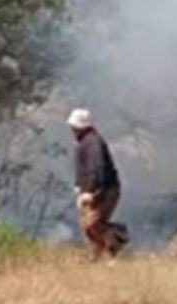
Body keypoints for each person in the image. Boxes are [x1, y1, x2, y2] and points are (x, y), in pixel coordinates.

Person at [67, 108, 129, 260]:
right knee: (88, 225)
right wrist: (79, 187)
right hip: (95, 189)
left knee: (91, 224)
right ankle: (98, 256)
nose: (72, 130)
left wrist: (90, 191)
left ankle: (118, 236)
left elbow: (97, 168)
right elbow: (84, 169)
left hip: (105, 190)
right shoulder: (85, 142)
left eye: (74, 127)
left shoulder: (93, 142)